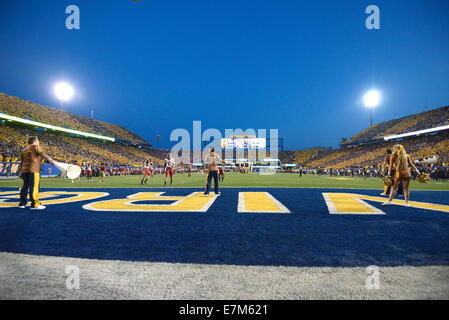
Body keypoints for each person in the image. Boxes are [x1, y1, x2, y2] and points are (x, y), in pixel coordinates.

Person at [18, 136, 56, 210]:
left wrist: (21, 172)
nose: (39, 142)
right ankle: (35, 204)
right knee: (34, 187)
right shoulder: (36, 146)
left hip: (25, 170)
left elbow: (22, 162)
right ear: (35, 141)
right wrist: (50, 159)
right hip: (33, 170)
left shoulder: (24, 150)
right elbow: (42, 153)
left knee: (25, 187)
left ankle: (22, 203)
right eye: (38, 140)